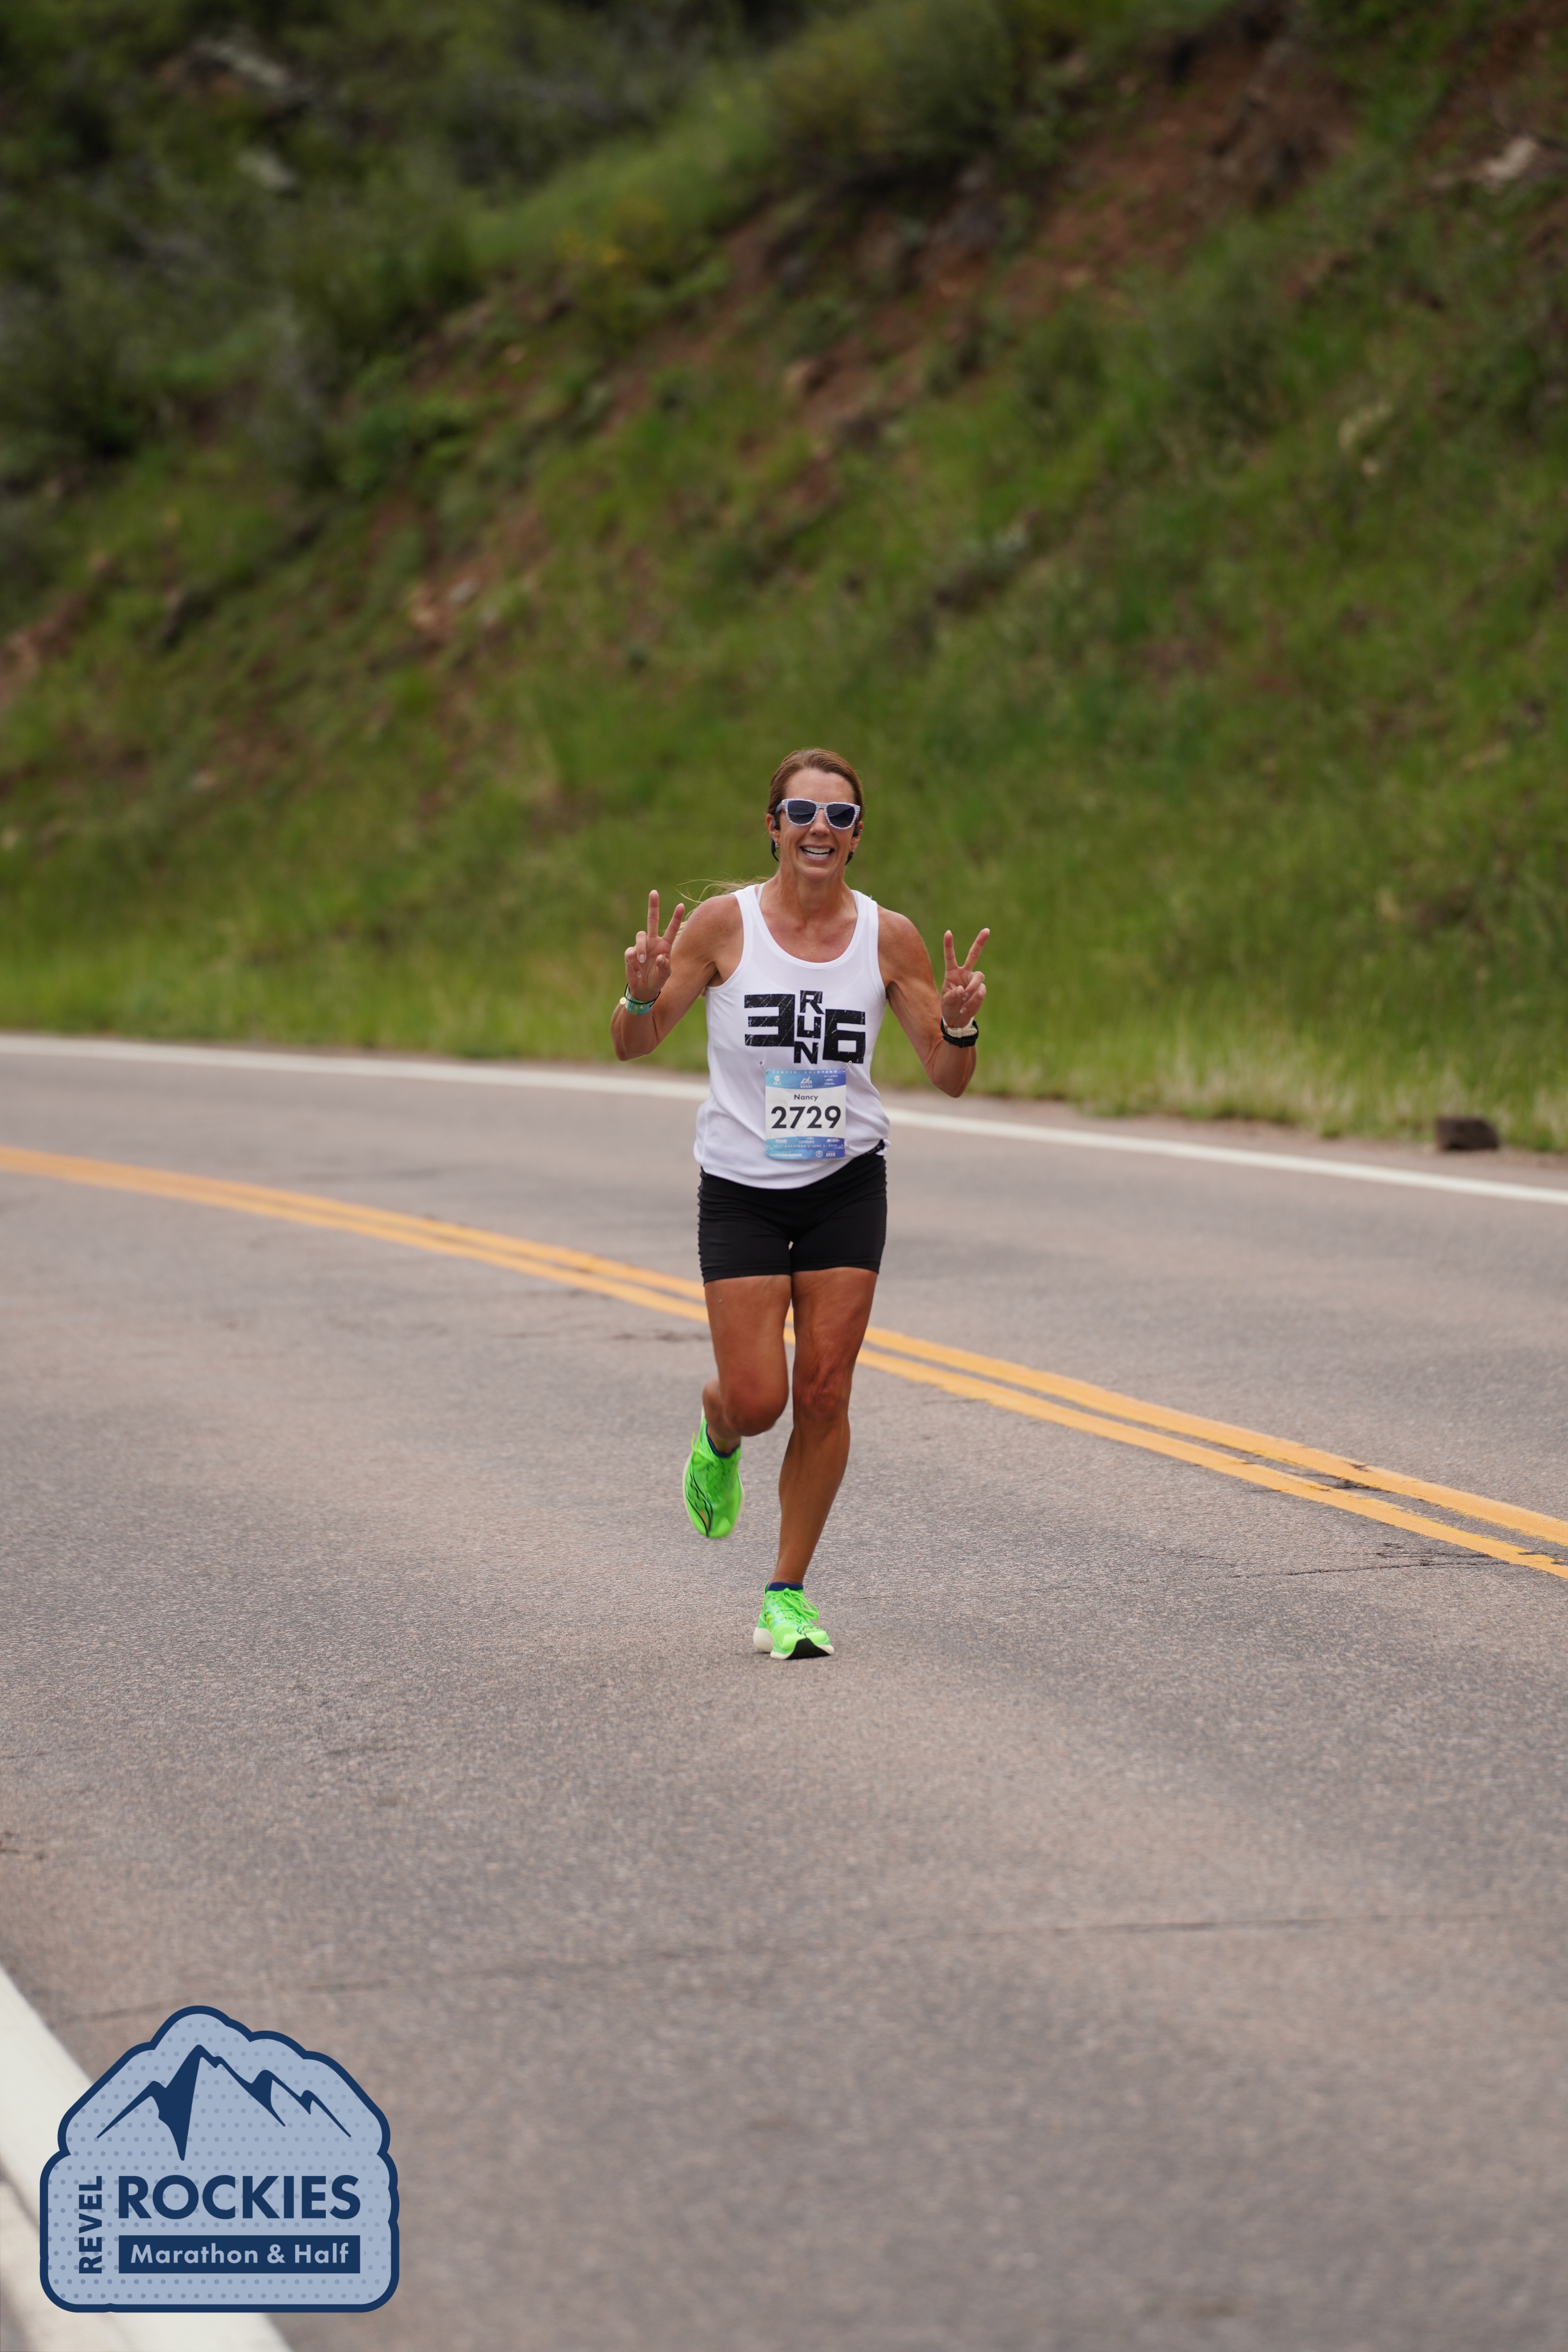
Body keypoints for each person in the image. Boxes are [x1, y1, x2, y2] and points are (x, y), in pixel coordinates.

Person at [611, 748, 989, 1660]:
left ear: (857, 839)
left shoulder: (888, 938)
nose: (822, 828)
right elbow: (634, 1042)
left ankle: (786, 1592)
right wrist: (638, 995)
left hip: (845, 1183)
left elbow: (949, 1076)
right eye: (804, 813)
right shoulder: (724, 926)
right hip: (742, 1190)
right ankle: (719, 1429)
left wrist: (961, 1025)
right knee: (759, 1399)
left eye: (841, 817)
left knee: (824, 1391)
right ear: (774, 827)